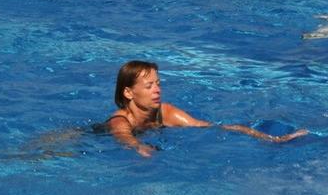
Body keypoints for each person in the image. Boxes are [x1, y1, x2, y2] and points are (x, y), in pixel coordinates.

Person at [106, 61, 308, 157]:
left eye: (158, 83)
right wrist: (138, 147)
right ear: (129, 93)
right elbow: (124, 137)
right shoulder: (121, 120)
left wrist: (272, 139)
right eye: (149, 86)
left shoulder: (165, 112)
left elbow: (212, 127)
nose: (157, 90)